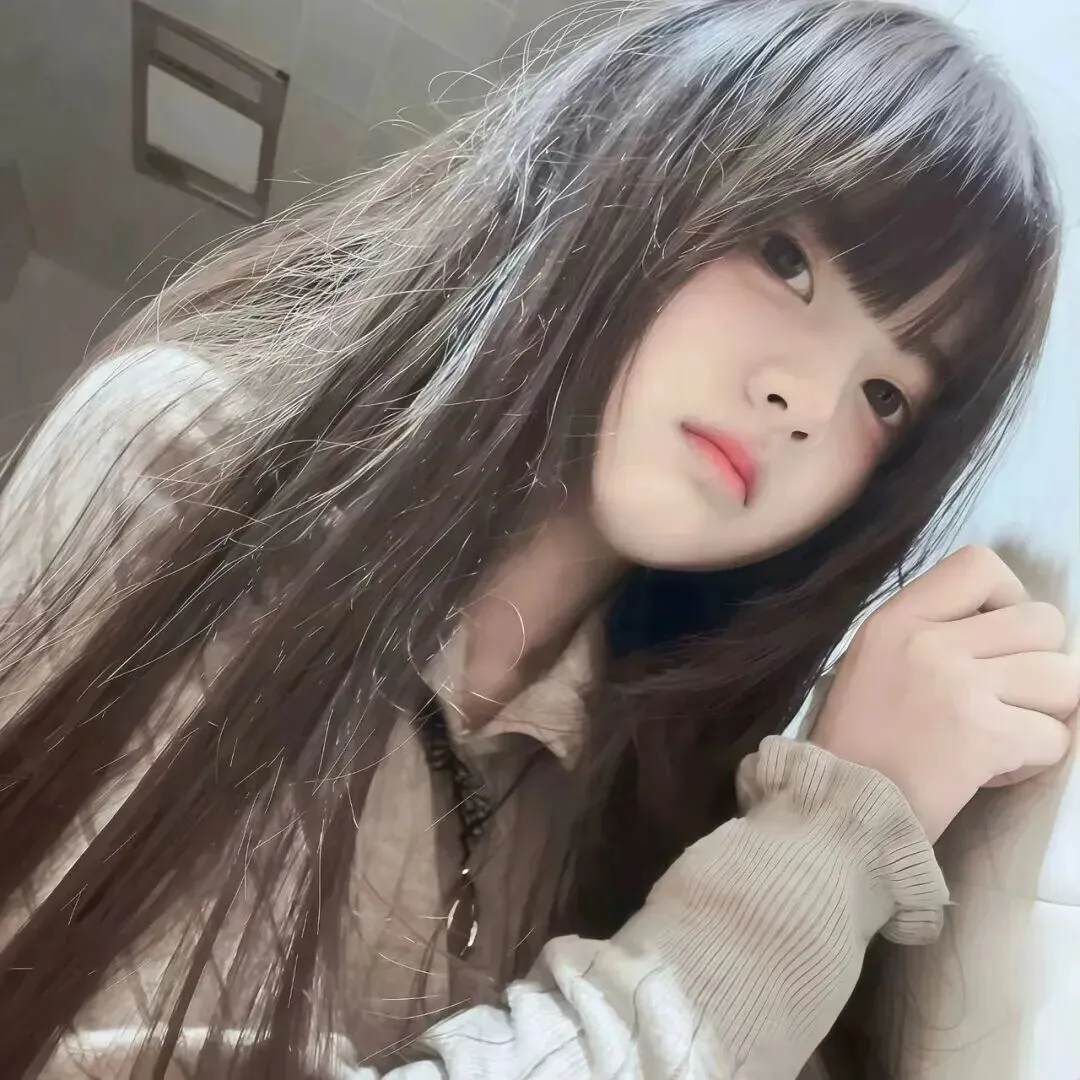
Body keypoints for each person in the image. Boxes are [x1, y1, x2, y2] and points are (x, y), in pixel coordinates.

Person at [0, 0, 1075, 1077]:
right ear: (640, 160)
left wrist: (924, 817)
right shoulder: (193, 470)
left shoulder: (638, 790)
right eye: (785, 258)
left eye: (886, 394)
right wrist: (828, 843)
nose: (809, 401)